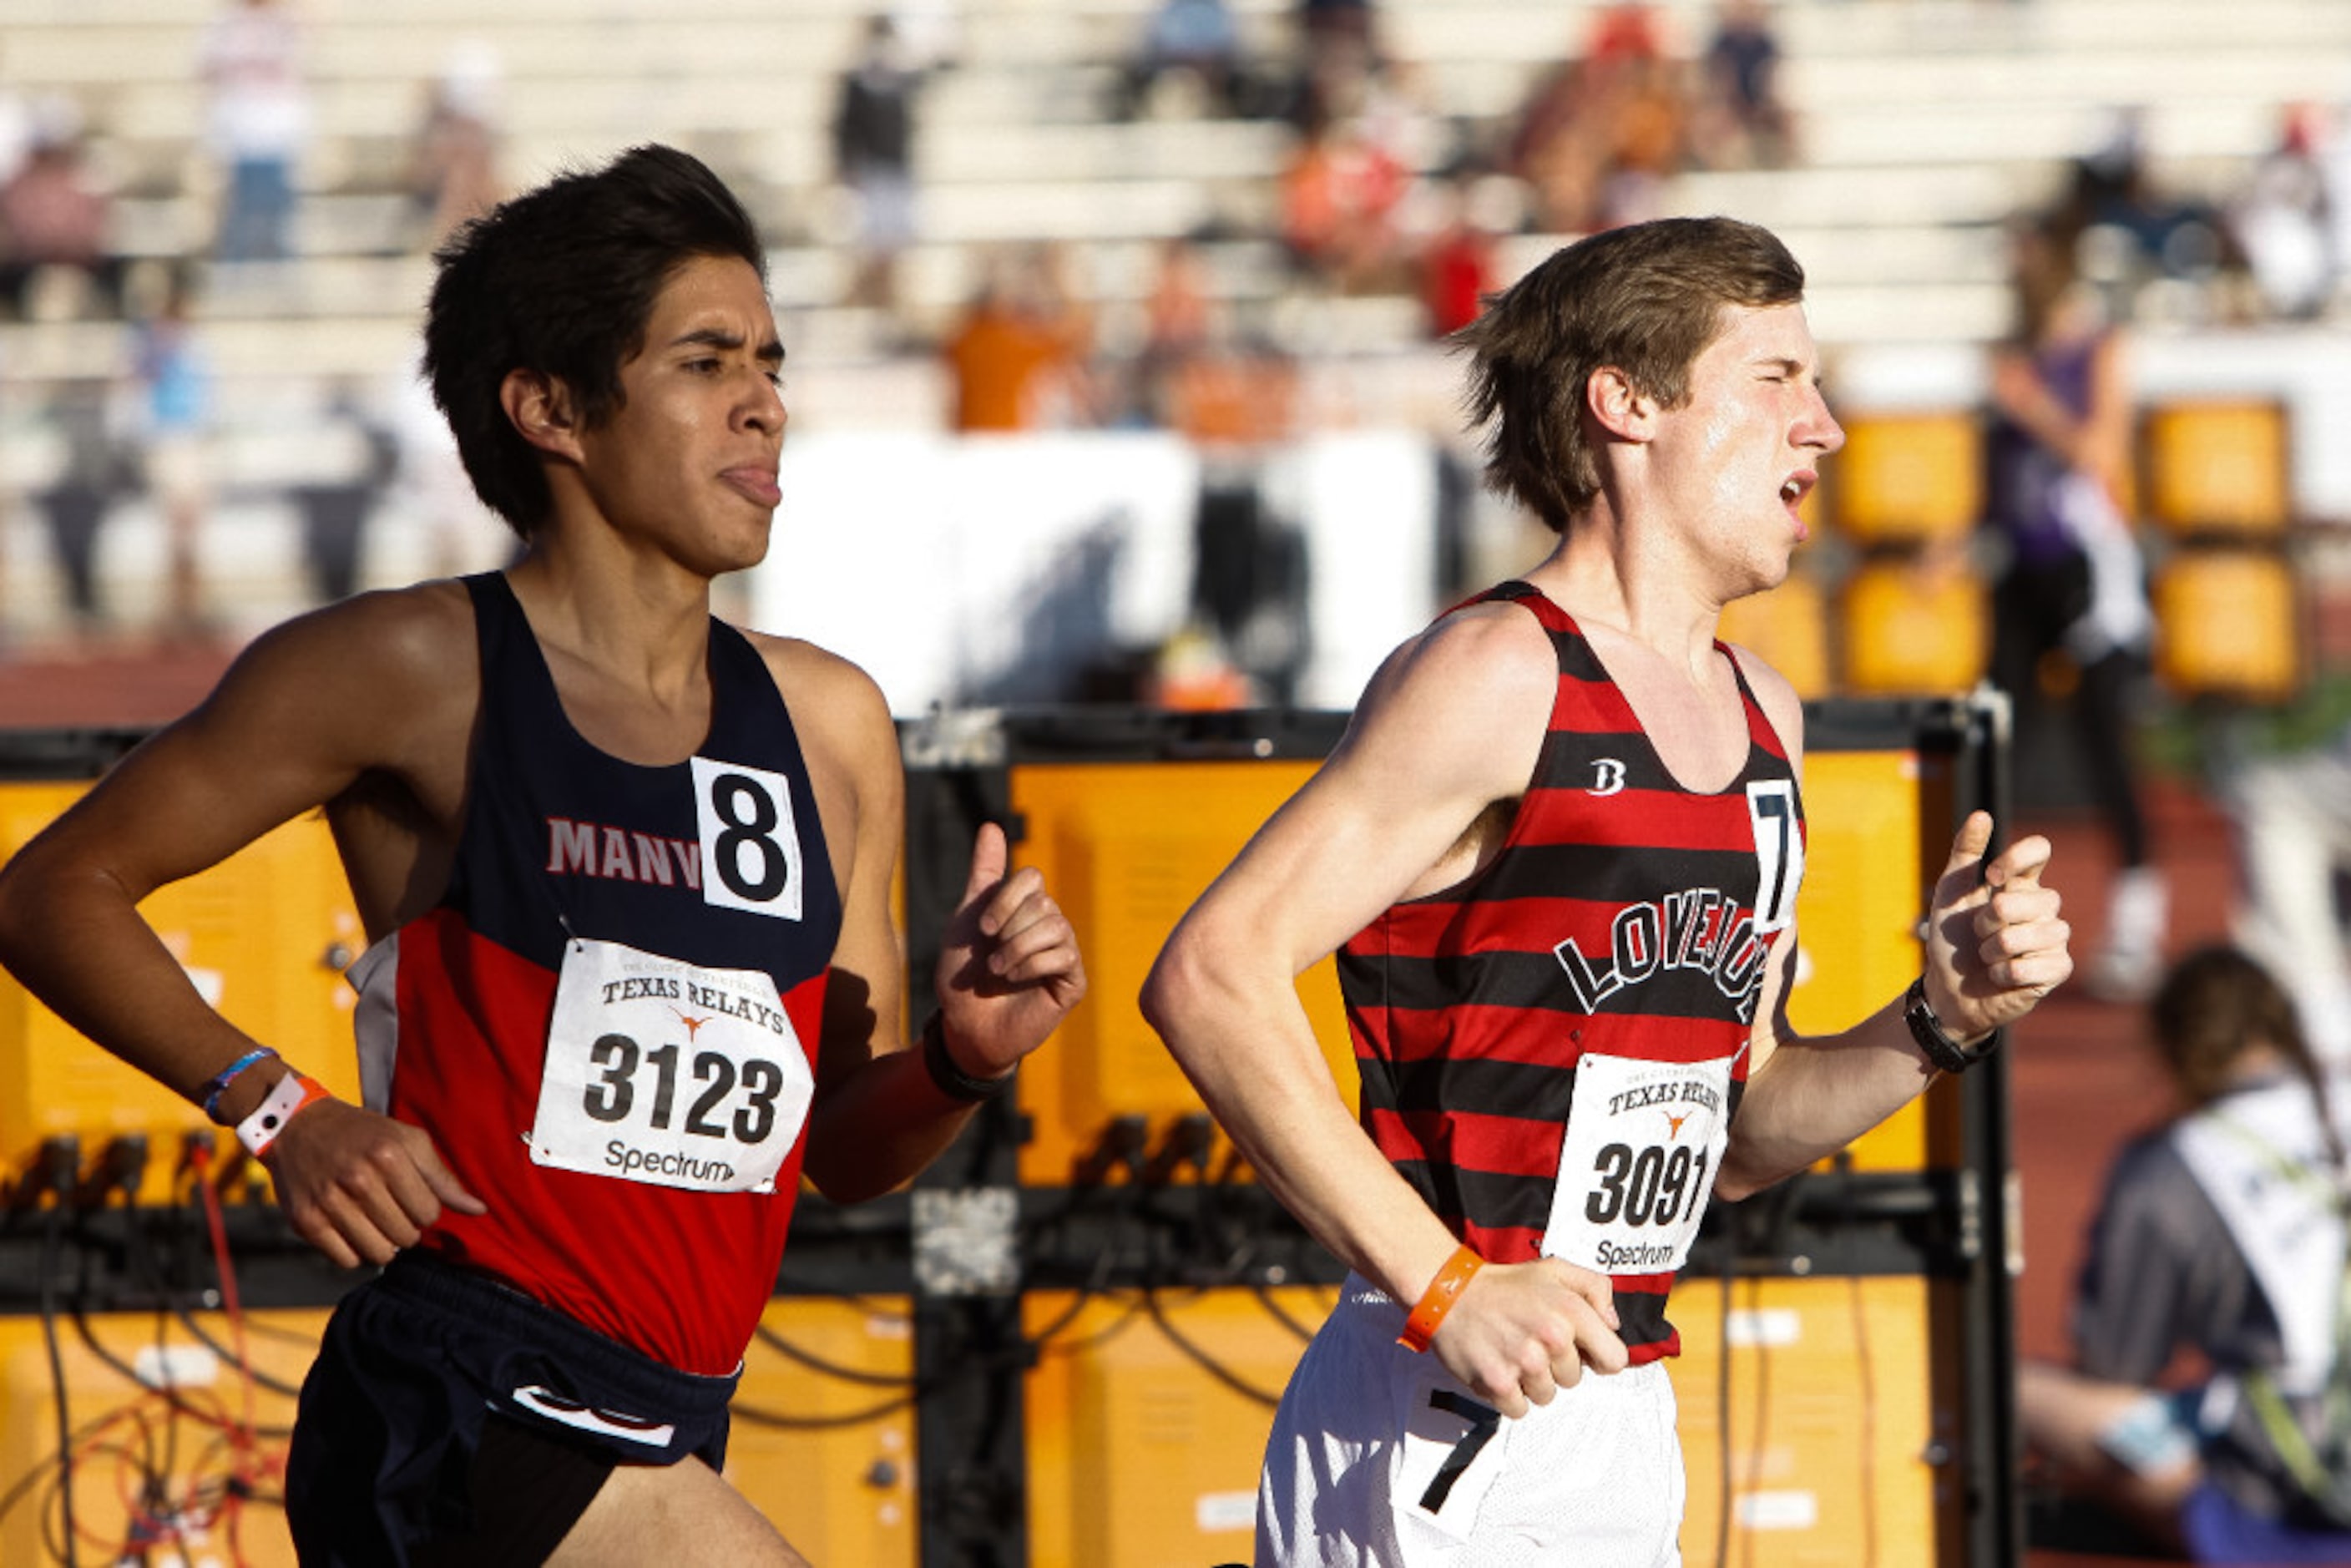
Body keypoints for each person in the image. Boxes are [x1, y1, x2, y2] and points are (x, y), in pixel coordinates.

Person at [0, 144, 1086, 1565]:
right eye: (706, 361)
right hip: (461, 1388)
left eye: (770, 357)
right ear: (551, 407)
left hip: (671, 1412)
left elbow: (838, 1149)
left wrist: (963, 1058)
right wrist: (279, 1108)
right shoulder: (409, 666)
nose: (766, 401)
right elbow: (50, 887)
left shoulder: (827, 720)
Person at [1139, 215, 2074, 1565]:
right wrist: (1443, 1281)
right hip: (1440, 1405)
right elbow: (1210, 973)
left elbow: (1741, 1138)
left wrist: (1939, 1017)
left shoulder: (1767, 716)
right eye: (1775, 380)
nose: (1826, 429)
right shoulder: (1499, 673)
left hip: (1619, 1400)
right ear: (1626, 404)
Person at [2020, 945, 2351, 1565]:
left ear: (2170, 1046)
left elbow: (2117, 1361)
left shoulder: (2171, 1164)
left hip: (2298, 1489)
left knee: (2011, 1387)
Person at [1984, 214, 2165, 1002]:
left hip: (2092, 569)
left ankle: (2136, 921)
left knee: (2104, 743)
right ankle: (1972, 902)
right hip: (2024, 569)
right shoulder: (2014, 357)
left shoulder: (2097, 349)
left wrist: (2032, 407)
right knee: (1992, 729)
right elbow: (2001, 480)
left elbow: (2101, 453)